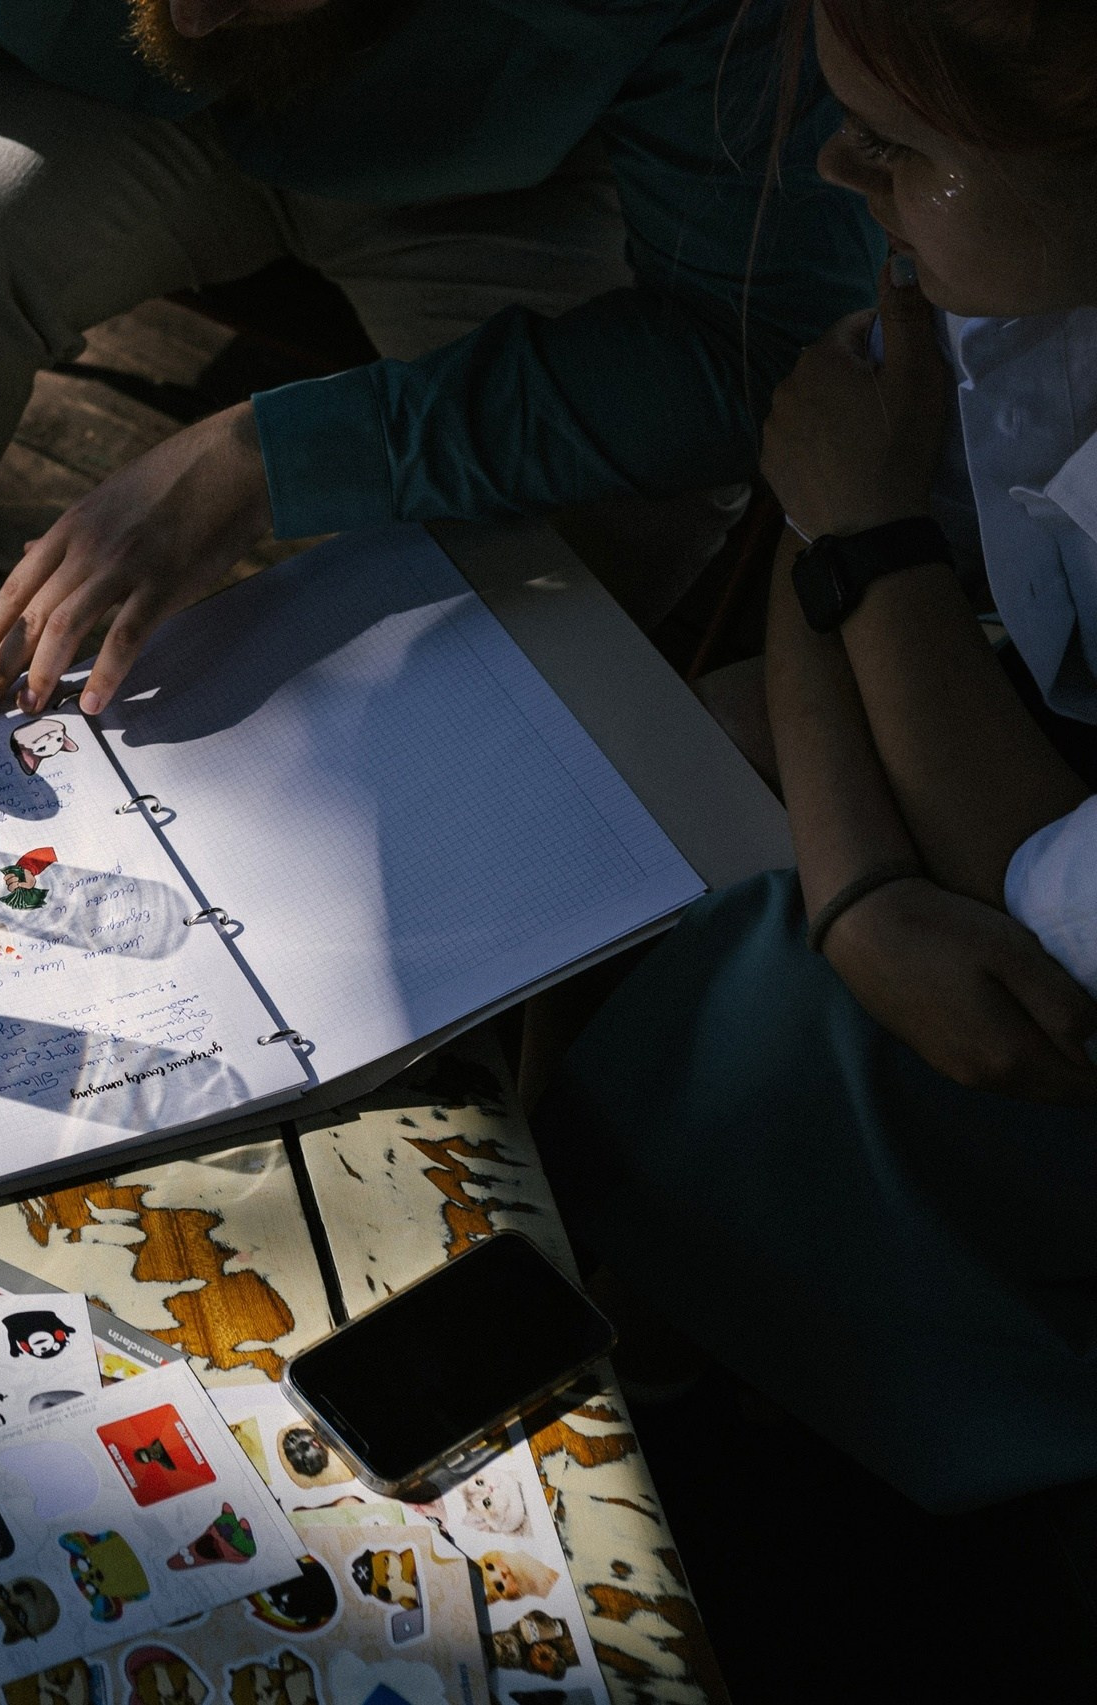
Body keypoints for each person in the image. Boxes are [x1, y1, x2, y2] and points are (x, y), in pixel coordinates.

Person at [0, 0, 878, 756]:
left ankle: (413, 920)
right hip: (117, 118)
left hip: (511, 179)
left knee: (608, 521)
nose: (188, 14)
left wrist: (275, 457)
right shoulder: (184, 26)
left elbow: (746, 349)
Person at [540, 0, 1097, 1530]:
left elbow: (1054, 957)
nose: (845, 169)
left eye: (905, 150)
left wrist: (860, 529)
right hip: (1023, 816)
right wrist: (859, 894)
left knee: (799, 1018)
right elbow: (828, 472)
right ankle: (682, 1321)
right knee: (705, 750)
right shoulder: (1012, 284)